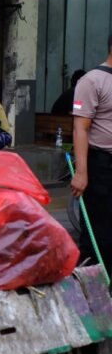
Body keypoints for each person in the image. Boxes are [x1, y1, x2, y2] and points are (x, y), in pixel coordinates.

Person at [71, 37, 112, 270]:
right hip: (101, 167)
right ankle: (90, 290)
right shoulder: (92, 81)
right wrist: (82, 172)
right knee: (98, 237)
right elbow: (80, 128)